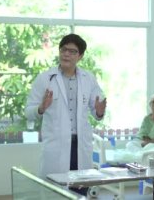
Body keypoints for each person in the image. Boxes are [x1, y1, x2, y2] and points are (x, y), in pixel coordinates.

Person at [25, 34, 107, 181]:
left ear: (80, 56)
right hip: (56, 145)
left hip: (80, 145)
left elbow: (96, 110)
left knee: (80, 187)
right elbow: (28, 112)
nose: (66, 54)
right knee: (55, 190)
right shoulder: (45, 78)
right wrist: (41, 107)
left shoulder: (88, 79)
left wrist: (99, 111)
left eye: (72, 51)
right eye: (63, 50)